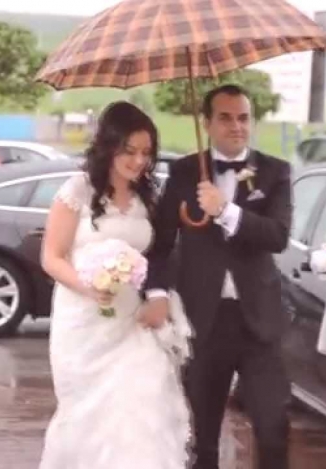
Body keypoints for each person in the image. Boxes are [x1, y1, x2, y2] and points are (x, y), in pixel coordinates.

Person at [141, 84, 294, 469]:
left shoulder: (275, 171)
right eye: (225, 118)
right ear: (207, 123)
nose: (236, 126)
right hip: (203, 321)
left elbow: (277, 236)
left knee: (273, 428)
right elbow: (160, 243)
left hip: (258, 320)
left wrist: (225, 210)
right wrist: (156, 292)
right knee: (203, 440)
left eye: (243, 117)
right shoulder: (184, 172)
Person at [37, 101, 192, 469]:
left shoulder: (147, 197)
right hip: (84, 323)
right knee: (88, 417)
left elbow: (159, 254)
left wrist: (156, 295)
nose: (139, 161)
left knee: (143, 403)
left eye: (146, 153)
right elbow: (52, 257)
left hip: (132, 321)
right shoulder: (77, 190)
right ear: (109, 146)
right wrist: (88, 286)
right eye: (130, 151)